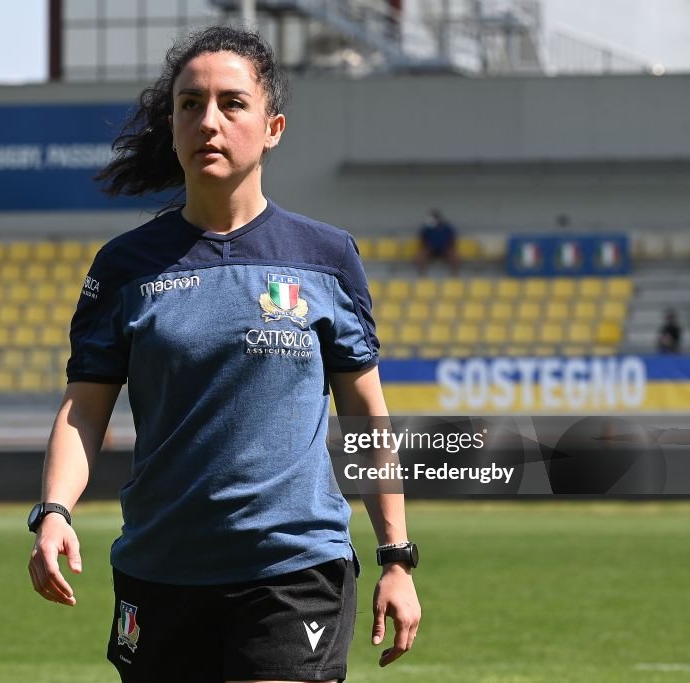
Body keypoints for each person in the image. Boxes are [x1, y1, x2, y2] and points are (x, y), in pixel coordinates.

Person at [27, 25, 420, 683]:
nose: (208, 120)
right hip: (159, 570)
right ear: (174, 127)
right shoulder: (124, 266)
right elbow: (83, 410)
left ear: (272, 126)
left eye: (232, 103)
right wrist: (54, 511)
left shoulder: (326, 257)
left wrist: (397, 557)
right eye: (190, 104)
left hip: (293, 569)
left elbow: (364, 414)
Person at [415, 208, 458, 275]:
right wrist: (425, 247)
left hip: (444, 248)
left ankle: (454, 273)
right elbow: (422, 238)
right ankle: (422, 273)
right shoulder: (427, 228)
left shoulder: (447, 227)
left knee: (454, 256)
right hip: (431, 248)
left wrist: (450, 247)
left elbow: (452, 238)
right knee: (420, 256)